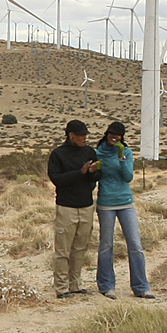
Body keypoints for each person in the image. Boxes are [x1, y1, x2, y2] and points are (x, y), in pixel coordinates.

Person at [94, 122, 152, 300]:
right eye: (112, 134)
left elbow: (128, 177)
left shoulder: (126, 152)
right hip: (106, 203)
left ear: (122, 137)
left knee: (135, 244)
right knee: (106, 245)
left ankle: (141, 287)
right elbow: (94, 177)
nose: (114, 137)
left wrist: (121, 157)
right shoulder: (98, 153)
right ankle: (106, 285)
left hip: (126, 202)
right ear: (107, 134)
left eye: (118, 135)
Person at [46, 119, 100, 298]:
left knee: (80, 248)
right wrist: (80, 172)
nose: (85, 138)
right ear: (71, 136)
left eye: (86, 135)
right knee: (63, 250)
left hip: (86, 206)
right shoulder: (58, 154)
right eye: (81, 135)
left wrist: (93, 172)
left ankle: (75, 285)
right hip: (66, 207)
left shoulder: (90, 152)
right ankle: (61, 288)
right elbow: (57, 179)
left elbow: (98, 176)